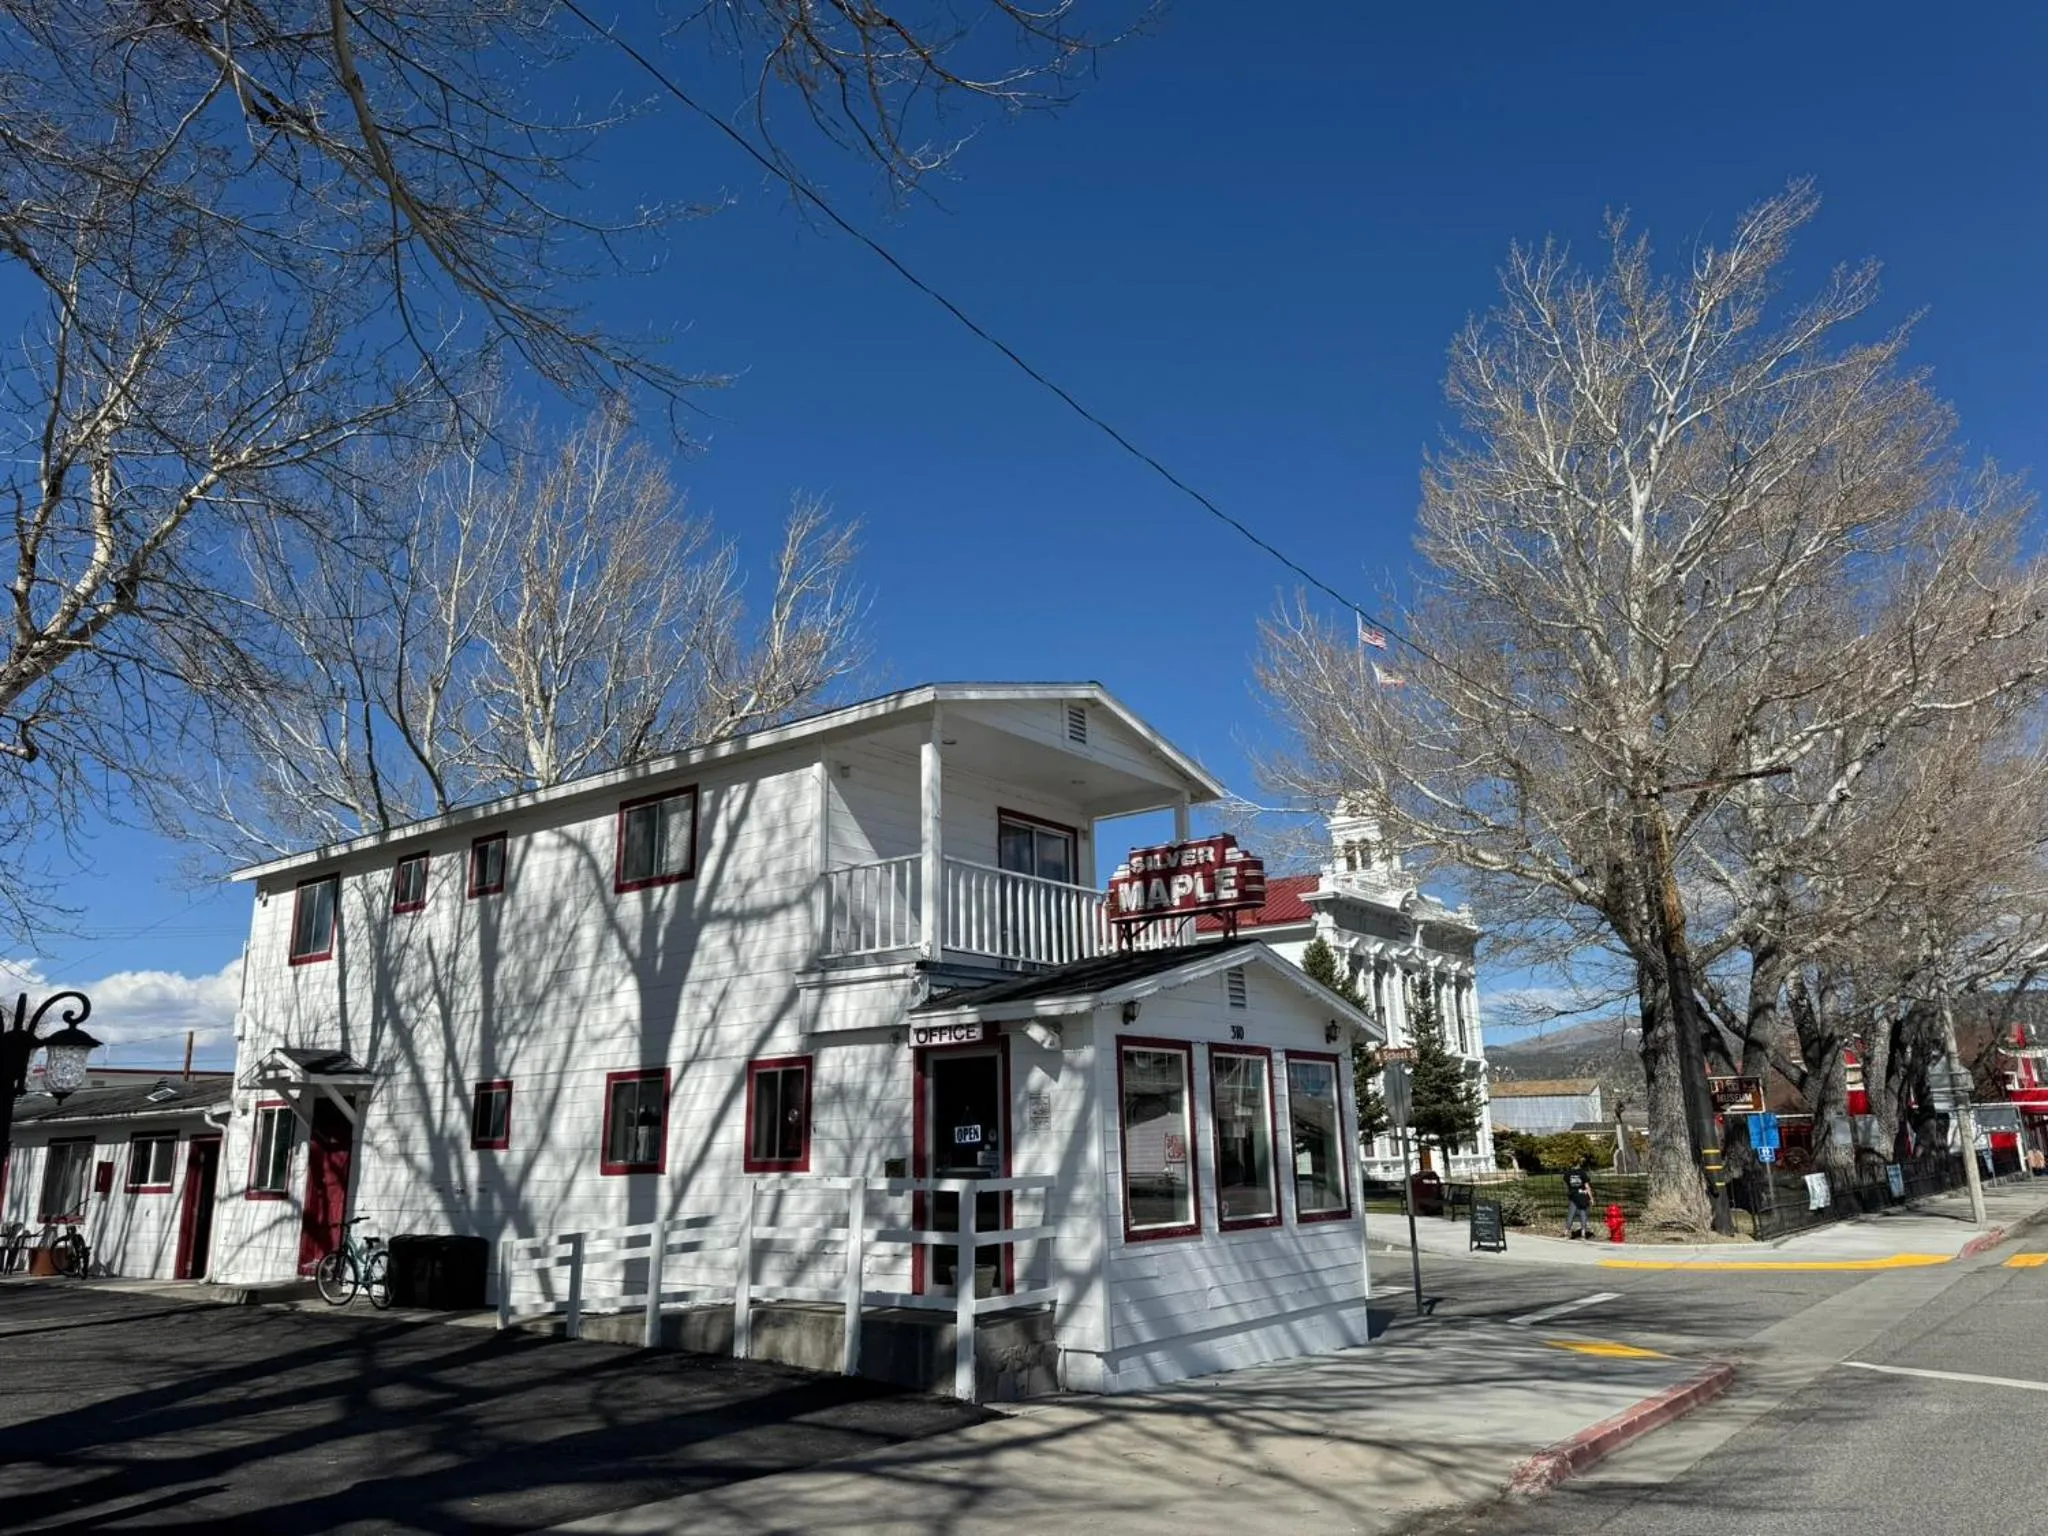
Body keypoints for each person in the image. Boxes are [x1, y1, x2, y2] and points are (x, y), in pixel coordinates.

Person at [1565, 1156, 1594, 1239]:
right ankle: (1583, 1234)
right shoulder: (1582, 1173)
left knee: (1571, 1214)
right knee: (1583, 1214)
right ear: (1578, 1164)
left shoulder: (1567, 1174)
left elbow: (1567, 1184)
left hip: (1573, 1196)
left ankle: (1566, 1232)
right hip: (1582, 1196)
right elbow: (1587, 1186)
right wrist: (1591, 1198)